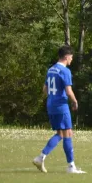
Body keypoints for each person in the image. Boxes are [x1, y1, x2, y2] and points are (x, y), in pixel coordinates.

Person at [32, 45, 85, 174]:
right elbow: (68, 91)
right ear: (67, 57)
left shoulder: (51, 69)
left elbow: (45, 90)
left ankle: (41, 157)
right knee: (68, 133)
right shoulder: (65, 71)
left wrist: (53, 97)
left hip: (51, 104)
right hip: (61, 106)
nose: (71, 60)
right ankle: (71, 167)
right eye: (71, 57)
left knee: (60, 133)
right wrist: (75, 101)